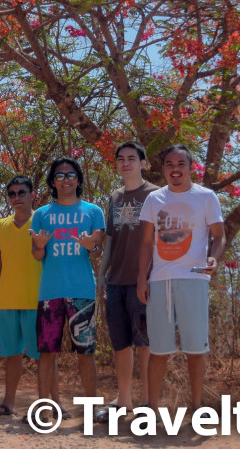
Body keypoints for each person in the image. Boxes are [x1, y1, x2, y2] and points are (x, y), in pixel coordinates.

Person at [136, 144, 225, 415]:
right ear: (163, 169)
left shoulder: (206, 197)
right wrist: (142, 279)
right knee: (159, 350)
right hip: (160, 281)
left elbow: (219, 235)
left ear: (190, 167)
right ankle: (151, 410)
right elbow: (147, 243)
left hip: (194, 280)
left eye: (180, 164)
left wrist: (214, 258)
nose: (175, 169)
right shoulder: (154, 200)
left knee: (196, 349)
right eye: (169, 165)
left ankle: (197, 409)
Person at [29, 157, 106, 420]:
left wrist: (90, 247)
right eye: (60, 176)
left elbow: (97, 253)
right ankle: (43, 408)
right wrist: (39, 246)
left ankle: (92, 409)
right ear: (52, 182)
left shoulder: (93, 212)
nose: (66, 180)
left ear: (79, 180)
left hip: (82, 291)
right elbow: (37, 256)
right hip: (50, 293)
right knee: (47, 353)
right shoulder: (41, 214)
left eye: (71, 175)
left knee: (86, 353)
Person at [0, 175, 51, 416]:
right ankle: (8, 403)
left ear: (32, 194)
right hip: (8, 300)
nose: (17, 197)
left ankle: (47, 408)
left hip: (37, 300)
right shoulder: (2, 225)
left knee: (42, 357)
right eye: (12, 194)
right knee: (12, 354)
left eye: (21, 192)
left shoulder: (43, 222)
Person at [100, 140, 158, 411]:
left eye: (132, 158)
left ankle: (148, 401)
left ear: (143, 163)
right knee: (120, 342)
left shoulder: (157, 195)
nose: (126, 163)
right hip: (116, 281)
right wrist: (102, 273)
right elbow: (111, 239)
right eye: (121, 158)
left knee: (145, 342)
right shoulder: (114, 197)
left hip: (145, 281)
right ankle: (124, 399)